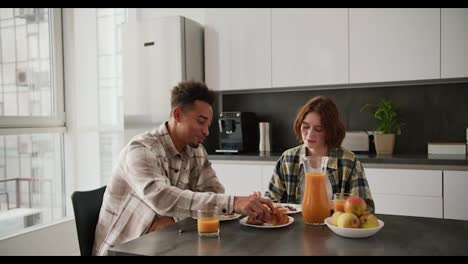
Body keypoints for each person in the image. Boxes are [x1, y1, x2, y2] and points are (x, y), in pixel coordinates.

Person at [94, 81, 274, 256]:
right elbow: (162, 198)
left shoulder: (196, 151)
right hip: (124, 248)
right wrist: (233, 203)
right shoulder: (142, 149)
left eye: (208, 125)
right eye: (201, 121)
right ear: (177, 114)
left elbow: (214, 190)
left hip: (168, 240)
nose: (206, 131)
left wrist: (173, 218)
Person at [264, 95, 375, 213]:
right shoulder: (288, 159)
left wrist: (334, 204)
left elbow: (367, 208)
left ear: (330, 131)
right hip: (296, 228)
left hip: (334, 227)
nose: (309, 134)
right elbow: (271, 200)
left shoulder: (348, 162)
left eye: (318, 129)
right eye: (306, 126)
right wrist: (261, 204)